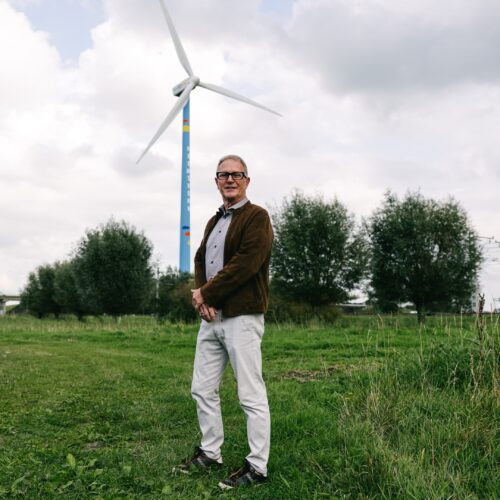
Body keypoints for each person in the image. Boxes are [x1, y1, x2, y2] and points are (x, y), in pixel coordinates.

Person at [176, 154, 273, 490]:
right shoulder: (214, 220)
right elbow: (200, 259)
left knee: (250, 394)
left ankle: (257, 467)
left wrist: (206, 293)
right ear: (216, 181)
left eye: (236, 174)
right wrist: (203, 297)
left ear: (247, 180)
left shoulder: (257, 217)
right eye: (223, 175)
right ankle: (210, 452)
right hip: (211, 318)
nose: (229, 179)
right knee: (201, 388)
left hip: (241, 317)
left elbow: (246, 264)